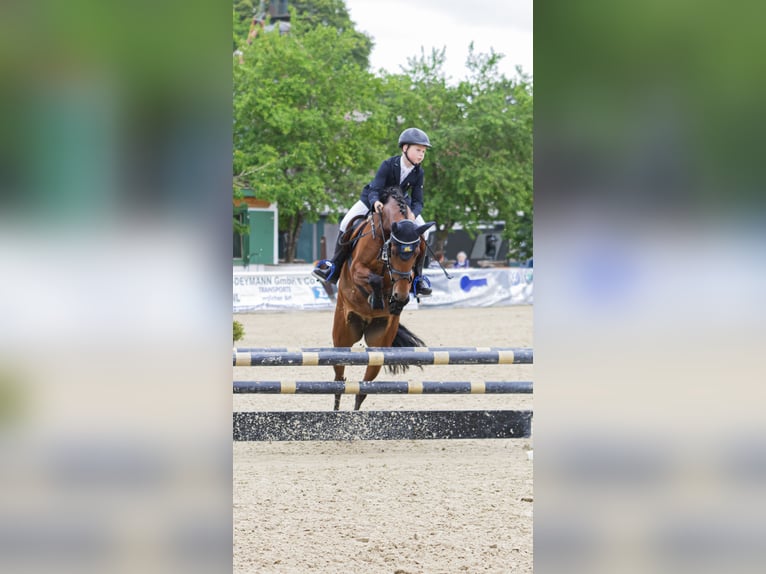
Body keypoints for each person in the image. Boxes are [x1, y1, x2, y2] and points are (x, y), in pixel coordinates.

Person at [312, 127, 434, 297]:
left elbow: (418, 200)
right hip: (373, 199)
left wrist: (413, 213)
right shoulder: (388, 164)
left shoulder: (418, 172)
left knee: (425, 233)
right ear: (405, 148)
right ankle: (334, 267)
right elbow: (375, 188)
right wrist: (375, 202)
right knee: (346, 222)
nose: (421, 155)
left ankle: (418, 279)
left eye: (423, 151)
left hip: (400, 206)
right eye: (418, 150)